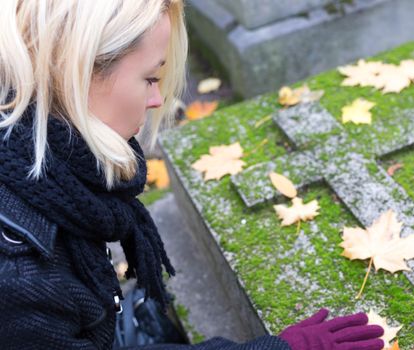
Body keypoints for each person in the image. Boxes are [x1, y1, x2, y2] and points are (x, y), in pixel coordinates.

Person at [0, 1, 386, 349]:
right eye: (151, 78)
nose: (156, 100)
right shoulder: (21, 278)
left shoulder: (48, 170)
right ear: (78, 74)